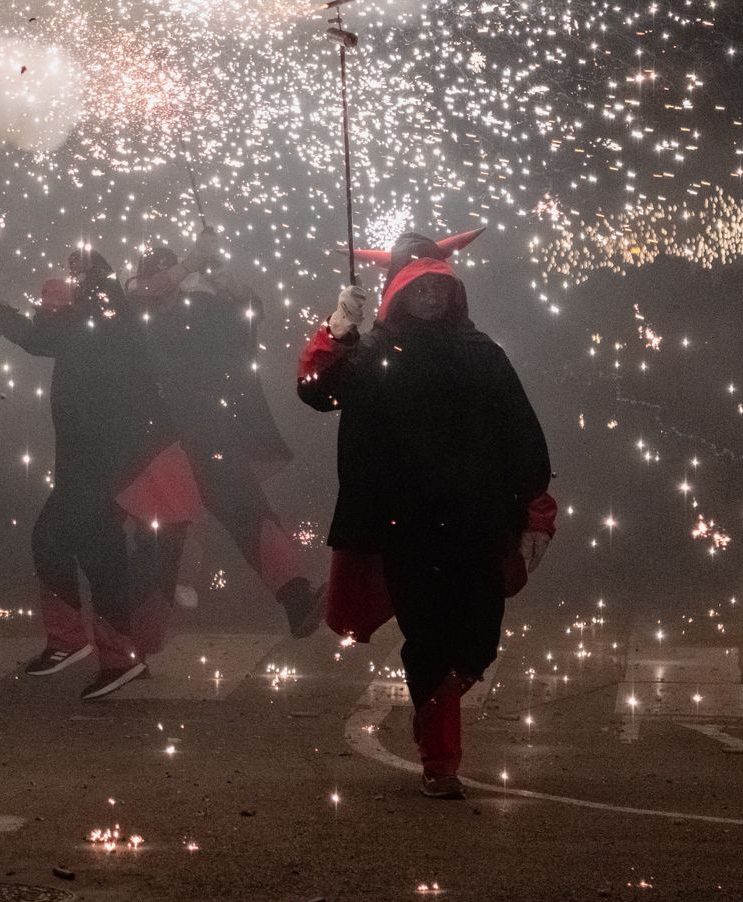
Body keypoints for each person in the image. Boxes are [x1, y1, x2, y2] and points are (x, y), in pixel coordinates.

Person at [296, 230, 554, 799]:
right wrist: (338, 329)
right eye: (420, 290)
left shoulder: (482, 353)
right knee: (431, 638)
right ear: (396, 294)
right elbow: (315, 391)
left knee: (480, 640)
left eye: (440, 288)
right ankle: (442, 760)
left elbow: (521, 436)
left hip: (478, 520)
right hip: (405, 523)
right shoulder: (371, 353)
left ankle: (435, 715)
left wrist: (535, 512)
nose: (431, 300)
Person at [0, 247, 171, 700]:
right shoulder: (102, 317)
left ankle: (109, 654)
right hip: (89, 465)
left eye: (75, 278)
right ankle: (84, 645)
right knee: (67, 544)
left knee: (92, 554)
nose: (66, 288)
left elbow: (41, 336)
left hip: (100, 466)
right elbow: (47, 332)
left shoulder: (99, 323)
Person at [125, 237, 323, 641]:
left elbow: (248, 319)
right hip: (170, 445)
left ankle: (297, 599)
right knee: (163, 543)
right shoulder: (137, 314)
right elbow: (142, 296)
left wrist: (231, 288)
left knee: (246, 517)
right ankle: (135, 644)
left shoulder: (193, 309)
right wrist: (199, 271)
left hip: (196, 438)